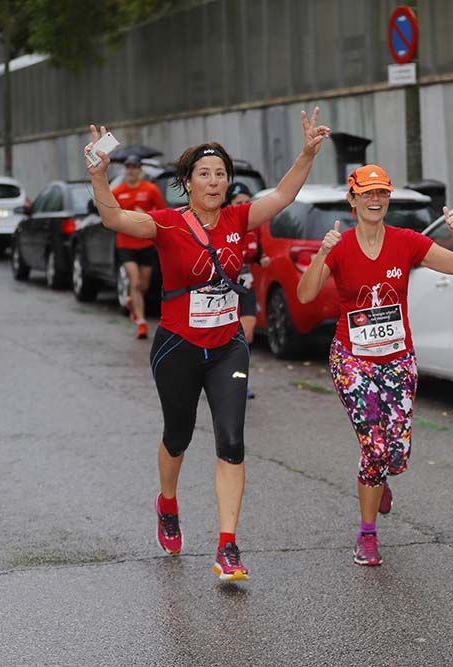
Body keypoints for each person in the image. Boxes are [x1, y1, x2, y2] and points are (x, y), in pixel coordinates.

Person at [85, 109, 330, 581]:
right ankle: (168, 504)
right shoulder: (167, 224)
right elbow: (114, 218)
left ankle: (227, 547)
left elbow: (282, 194)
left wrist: (306, 153)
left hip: (227, 348)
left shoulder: (241, 217)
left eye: (221, 174)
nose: (214, 181)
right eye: (205, 174)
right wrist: (100, 176)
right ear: (189, 182)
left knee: (232, 442)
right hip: (177, 346)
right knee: (177, 437)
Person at [296, 165, 453, 566]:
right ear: (353, 199)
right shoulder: (340, 246)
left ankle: (379, 478)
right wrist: (322, 252)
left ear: (388, 199)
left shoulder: (407, 242)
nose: (374, 200)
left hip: (398, 358)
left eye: (381, 193)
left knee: (395, 452)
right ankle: (367, 534)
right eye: (367, 194)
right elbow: (305, 295)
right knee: (373, 447)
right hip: (352, 359)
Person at [111, 154, 166, 339]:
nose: (131, 170)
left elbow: (162, 213)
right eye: (128, 167)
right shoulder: (118, 191)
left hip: (145, 243)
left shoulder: (150, 189)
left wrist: (147, 214)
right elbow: (113, 217)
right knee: (133, 281)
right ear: (125, 170)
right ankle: (141, 323)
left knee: (144, 284)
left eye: (134, 167)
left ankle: (132, 302)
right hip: (125, 243)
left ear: (140, 170)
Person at [224, 182, 270, 399]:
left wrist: (262, 259)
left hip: (246, 286)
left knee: (247, 334)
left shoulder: (255, 227)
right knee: (226, 337)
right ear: (229, 204)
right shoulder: (223, 225)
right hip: (224, 289)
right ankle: (218, 376)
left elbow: (257, 254)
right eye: (239, 202)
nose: (244, 206)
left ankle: (240, 380)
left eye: (247, 202)